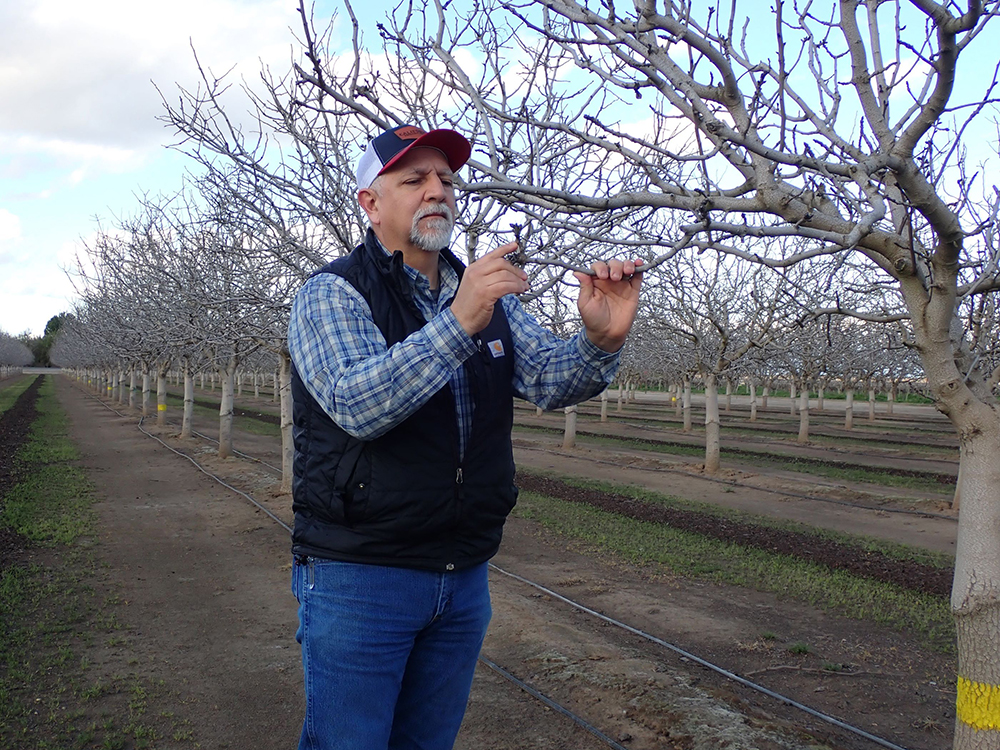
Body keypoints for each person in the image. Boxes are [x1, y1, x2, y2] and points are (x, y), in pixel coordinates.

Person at [287, 123, 642, 750]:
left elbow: (551, 382)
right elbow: (356, 402)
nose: (438, 191)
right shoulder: (333, 293)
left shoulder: (481, 295)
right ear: (370, 203)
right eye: (414, 179)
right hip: (361, 574)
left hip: (462, 571)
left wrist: (599, 341)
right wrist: (459, 323)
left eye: (447, 180)